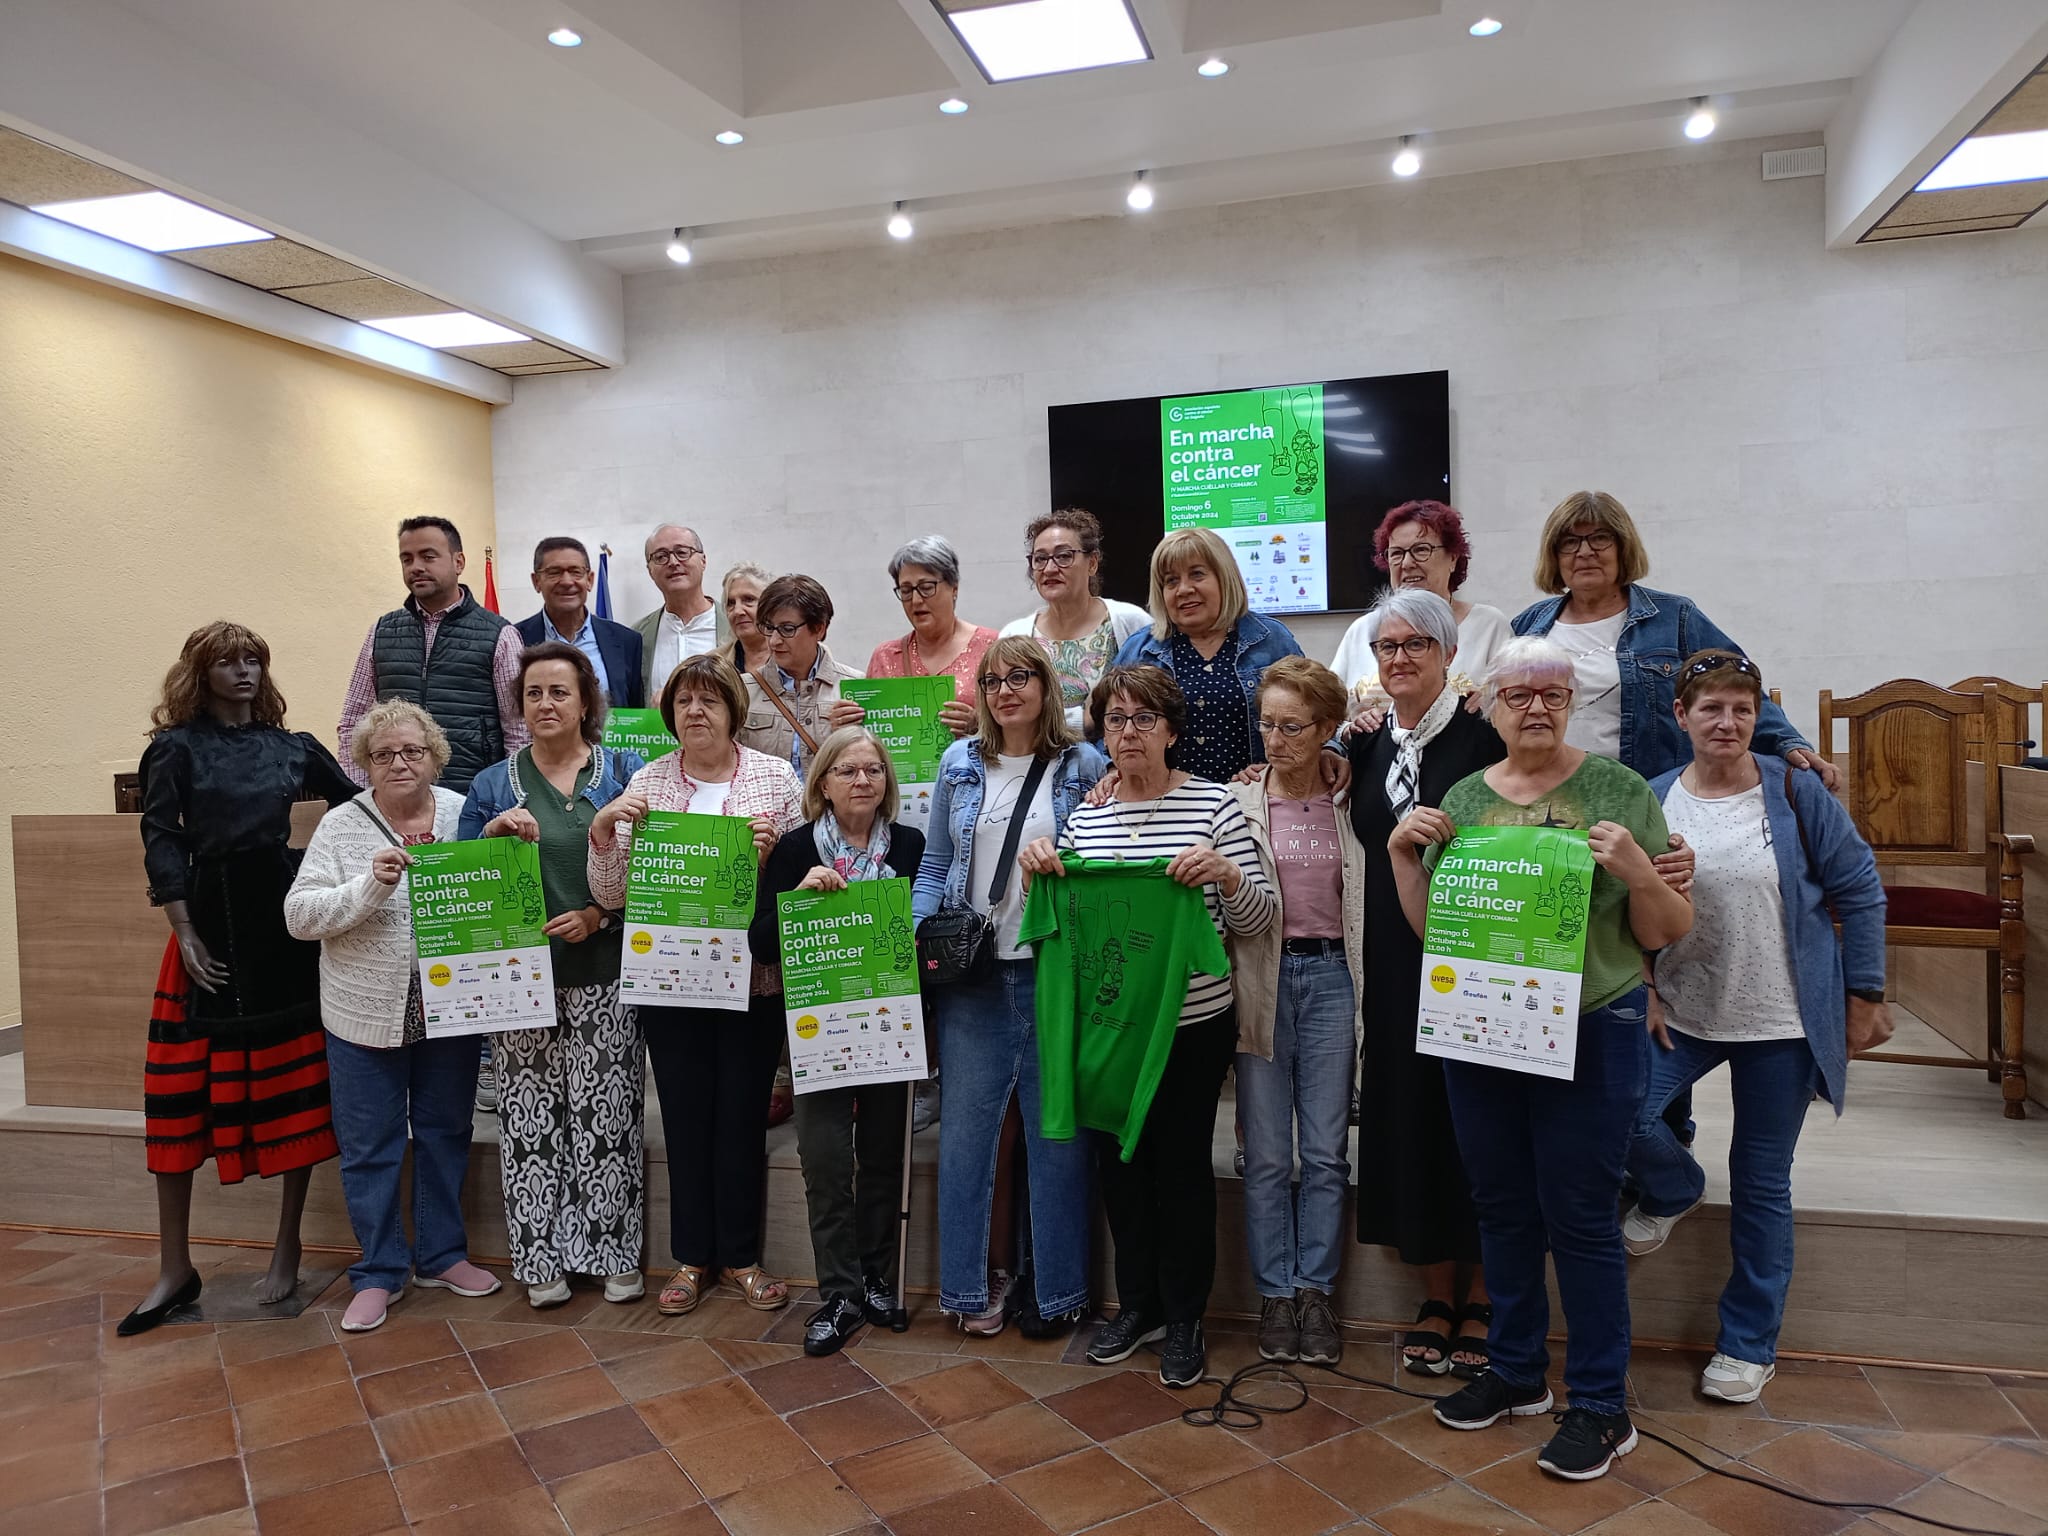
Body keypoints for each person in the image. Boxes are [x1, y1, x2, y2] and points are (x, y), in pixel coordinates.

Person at [1390, 636, 1693, 1481]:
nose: (1535, 708)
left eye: (1552, 695)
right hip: (1482, 1028)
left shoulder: (1618, 789)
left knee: (1582, 1216)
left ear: (1572, 704)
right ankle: (1517, 1371)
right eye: (1518, 694)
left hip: (1592, 1024)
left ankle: (1601, 1405)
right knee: (1501, 1206)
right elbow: (1434, 932)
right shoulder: (1461, 796)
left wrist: (1638, 872)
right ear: (1489, 703)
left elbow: (1664, 933)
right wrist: (1399, 856)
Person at [1622, 650, 1889, 1405]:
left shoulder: (1796, 790)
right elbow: (1624, 904)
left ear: (1757, 716)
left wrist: (1863, 993)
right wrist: (1642, 983)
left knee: (1762, 1180)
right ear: (1681, 717)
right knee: (1624, 1115)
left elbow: (1859, 890)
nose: (1727, 722)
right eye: (1710, 708)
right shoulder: (1655, 795)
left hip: (1781, 1016)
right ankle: (1673, 1190)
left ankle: (1747, 1343)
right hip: (1684, 1008)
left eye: (1742, 708)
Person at [1018, 664, 1277, 1389]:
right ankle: (1140, 1306)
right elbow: (1051, 920)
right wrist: (1040, 865)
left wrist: (1225, 874)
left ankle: (1187, 1316)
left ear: (1171, 729)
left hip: (1192, 1027)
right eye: (1115, 720)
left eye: (1143, 719)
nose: (1127, 734)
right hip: (1107, 1024)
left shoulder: (1216, 806)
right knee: (1119, 1170)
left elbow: (1257, 920)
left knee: (1181, 1166)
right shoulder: (1088, 817)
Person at [122, 623, 357, 1336]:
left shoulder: (292, 747)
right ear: (200, 673)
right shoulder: (173, 749)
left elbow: (355, 806)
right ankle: (174, 1265)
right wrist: (182, 927)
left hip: (281, 925)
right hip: (208, 927)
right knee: (177, 1095)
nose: (245, 671)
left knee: (294, 1088)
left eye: (254, 658)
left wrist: (326, 876)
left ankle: (288, 1244)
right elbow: (160, 834)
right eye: (227, 661)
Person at [588, 653, 804, 1316]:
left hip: (751, 984)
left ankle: (740, 1257)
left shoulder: (775, 778)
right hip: (670, 984)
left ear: (734, 710)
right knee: (684, 1121)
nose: (696, 712)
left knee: (740, 1118)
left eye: (710, 700)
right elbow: (614, 894)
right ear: (669, 713)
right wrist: (603, 833)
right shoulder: (647, 782)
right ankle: (690, 1258)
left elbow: (799, 888)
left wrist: (768, 863)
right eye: (684, 702)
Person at [284, 701, 501, 1334]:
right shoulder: (342, 826)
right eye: (383, 755)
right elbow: (299, 917)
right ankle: (379, 1272)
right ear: (363, 765)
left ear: (435, 757)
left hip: (451, 1008)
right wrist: (369, 887)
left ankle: (441, 1255)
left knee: (444, 1131)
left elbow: (498, 890)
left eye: (412, 752)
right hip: (362, 1013)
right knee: (370, 1147)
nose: (399, 763)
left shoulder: (468, 814)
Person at [913, 637, 1107, 1340]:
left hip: (1056, 970)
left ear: (1046, 686)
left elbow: (1103, 853)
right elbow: (935, 862)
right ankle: (970, 1288)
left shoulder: (1086, 765)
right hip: (975, 977)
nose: (1005, 690)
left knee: (1059, 1138)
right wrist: (919, 934)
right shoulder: (959, 764)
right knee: (968, 1139)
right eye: (993, 679)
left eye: (1020, 676)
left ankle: (1058, 1293)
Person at [458, 643, 647, 1309]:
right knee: (530, 1120)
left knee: (608, 1114)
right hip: (518, 983)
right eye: (533, 693)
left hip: (607, 972)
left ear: (586, 702)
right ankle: (541, 1261)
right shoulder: (490, 785)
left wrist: (597, 916)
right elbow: (462, 889)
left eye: (559, 692)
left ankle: (614, 1255)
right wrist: (487, 837)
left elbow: (651, 878)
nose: (545, 704)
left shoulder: (626, 773)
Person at [1346, 590, 1505, 1378]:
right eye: (1387, 646)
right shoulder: (1367, 741)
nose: (1399, 658)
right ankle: (1437, 1293)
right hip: (1390, 962)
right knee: (1408, 1118)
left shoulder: (1484, 735)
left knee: (1469, 1122)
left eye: (1415, 644)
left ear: (1448, 654)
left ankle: (1482, 1296)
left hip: (1470, 959)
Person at [754, 728, 925, 1355]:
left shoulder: (909, 845)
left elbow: (924, 926)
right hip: (817, 1030)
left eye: (873, 771)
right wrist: (798, 898)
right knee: (825, 1162)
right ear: (822, 783)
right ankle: (840, 1292)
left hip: (887, 1023)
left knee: (883, 1156)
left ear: (887, 784)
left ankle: (879, 1277)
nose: (861, 781)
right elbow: (761, 942)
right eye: (847, 771)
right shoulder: (797, 849)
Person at [1228, 658, 1366, 1369]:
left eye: (1292, 727)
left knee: (1323, 1153)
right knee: (1267, 1155)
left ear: (1326, 731)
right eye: (1267, 724)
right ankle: (1273, 1294)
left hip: (1333, 978)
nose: (1274, 740)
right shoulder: (1240, 801)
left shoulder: (1351, 798)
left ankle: (1316, 1291)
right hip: (1263, 978)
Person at [1510, 491, 1835, 788]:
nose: (1585, 552)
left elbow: (1740, 686)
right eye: (1569, 542)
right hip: (1547, 796)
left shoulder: (1675, 617)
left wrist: (1789, 744)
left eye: (1600, 538)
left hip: (1647, 796)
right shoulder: (1529, 625)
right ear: (1555, 555)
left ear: (1623, 548)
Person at [337, 515, 526, 794]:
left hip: (473, 800)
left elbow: (520, 731)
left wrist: (508, 795)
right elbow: (353, 722)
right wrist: (364, 793)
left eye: (428, 556)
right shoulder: (382, 631)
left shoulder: (499, 635)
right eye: (407, 559)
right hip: (396, 802)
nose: (416, 567)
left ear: (458, 562)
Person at [1111, 528, 1305, 782]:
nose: (1183, 589)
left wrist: (1326, 753)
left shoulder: (1272, 640)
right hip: (1166, 809)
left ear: (1224, 578)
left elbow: (1315, 714)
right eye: (1171, 581)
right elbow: (1106, 725)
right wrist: (1112, 769)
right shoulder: (1139, 651)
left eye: (1197, 574)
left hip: (1253, 804)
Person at [1330, 500, 1512, 712]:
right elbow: (1330, 711)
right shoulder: (1361, 630)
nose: (1407, 563)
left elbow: (1514, 703)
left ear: (1453, 558)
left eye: (1421, 550)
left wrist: (1492, 704)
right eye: (1396, 553)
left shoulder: (1489, 626)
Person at [998, 509, 1150, 733]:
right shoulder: (1015, 635)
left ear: (1092, 563)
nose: (1049, 569)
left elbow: (1153, 705)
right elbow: (1010, 721)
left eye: (1064, 556)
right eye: (1040, 559)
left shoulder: (1131, 623)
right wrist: (1084, 721)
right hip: (1038, 765)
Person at [867, 535, 998, 739]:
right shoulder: (885, 657)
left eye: (927, 588)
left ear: (954, 588)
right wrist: (850, 725)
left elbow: (1023, 723)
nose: (916, 600)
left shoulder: (993, 647)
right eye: (906, 590)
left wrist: (980, 725)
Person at [740, 574, 864, 775]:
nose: (774, 641)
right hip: (764, 805)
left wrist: (846, 738)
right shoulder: (741, 690)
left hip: (830, 805)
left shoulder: (854, 686)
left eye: (787, 629)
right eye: (768, 628)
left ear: (819, 628)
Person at [516, 536, 646, 709]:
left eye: (576, 572)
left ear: (590, 580)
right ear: (536, 581)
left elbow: (635, 711)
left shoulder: (627, 641)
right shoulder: (515, 639)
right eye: (554, 572)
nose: (567, 582)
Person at [635, 523, 719, 699]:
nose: (673, 563)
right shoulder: (636, 636)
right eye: (661, 556)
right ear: (650, 570)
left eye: (682, 552)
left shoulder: (735, 627)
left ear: (703, 560)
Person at [720, 561, 775, 674]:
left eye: (748, 599)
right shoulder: (715, 665)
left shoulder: (797, 657)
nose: (737, 611)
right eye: (731, 603)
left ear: (771, 604)